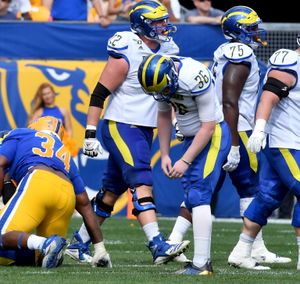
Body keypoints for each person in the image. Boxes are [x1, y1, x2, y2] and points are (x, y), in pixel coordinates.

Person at [64, 0, 190, 265]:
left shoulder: (169, 48)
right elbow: (99, 94)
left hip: (144, 128)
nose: (164, 26)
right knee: (142, 181)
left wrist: (179, 119)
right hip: (122, 125)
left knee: (111, 191)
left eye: (164, 20)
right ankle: (157, 244)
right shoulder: (127, 47)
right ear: (142, 26)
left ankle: (79, 243)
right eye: (157, 21)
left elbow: (171, 91)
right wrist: (89, 134)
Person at [166, 5, 291, 267]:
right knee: (244, 187)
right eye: (251, 27)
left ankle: (173, 241)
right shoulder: (240, 53)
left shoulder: (224, 51)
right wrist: (234, 143)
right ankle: (249, 249)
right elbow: (229, 102)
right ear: (240, 31)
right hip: (236, 128)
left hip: (227, 126)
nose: (257, 32)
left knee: (209, 187)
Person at [138, 54, 231, 275]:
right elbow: (162, 116)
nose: (162, 94)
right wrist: (165, 154)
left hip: (214, 134)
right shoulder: (160, 79)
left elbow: (208, 126)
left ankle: (201, 264)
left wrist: (185, 160)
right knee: (192, 195)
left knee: (198, 194)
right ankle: (194, 257)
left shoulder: (194, 76)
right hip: (192, 137)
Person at [228, 35, 300, 270]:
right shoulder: (289, 61)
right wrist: (259, 130)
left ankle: (241, 250)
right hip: (285, 141)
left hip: (290, 141)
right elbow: (268, 97)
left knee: (268, 197)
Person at [0, 116, 111, 268]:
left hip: (39, 180)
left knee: (2, 235)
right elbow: (85, 205)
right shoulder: (64, 154)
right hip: (66, 195)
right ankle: (47, 247)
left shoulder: (22, 134)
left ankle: (46, 243)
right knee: (41, 258)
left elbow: (1, 162)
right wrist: (100, 248)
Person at [28, 82, 78, 157]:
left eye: (48, 93)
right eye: (44, 94)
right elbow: (31, 132)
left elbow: (69, 130)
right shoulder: (38, 113)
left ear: (53, 93)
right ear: (41, 97)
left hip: (61, 148)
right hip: (45, 148)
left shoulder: (63, 111)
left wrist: (67, 146)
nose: (47, 96)